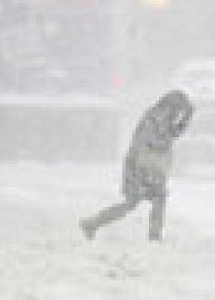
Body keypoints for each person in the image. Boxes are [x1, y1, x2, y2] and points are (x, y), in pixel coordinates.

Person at [80, 89, 194, 241]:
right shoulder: (156, 117)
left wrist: (186, 119)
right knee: (134, 202)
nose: (179, 113)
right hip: (139, 165)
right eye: (180, 109)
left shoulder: (163, 117)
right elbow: (155, 141)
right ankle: (92, 223)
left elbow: (173, 134)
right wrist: (142, 171)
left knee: (154, 199)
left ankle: (153, 236)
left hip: (149, 165)